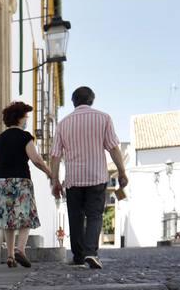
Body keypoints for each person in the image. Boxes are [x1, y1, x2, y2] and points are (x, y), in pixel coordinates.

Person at [49, 86, 129, 269]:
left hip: (73, 179)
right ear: (92, 100)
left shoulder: (63, 123)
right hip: (96, 176)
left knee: (75, 217)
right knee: (94, 216)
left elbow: (55, 155)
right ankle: (91, 253)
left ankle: (78, 256)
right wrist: (122, 172)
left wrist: (54, 181)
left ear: (73, 102)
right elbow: (113, 147)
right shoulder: (103, 118)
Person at [0, 102, 54, 267]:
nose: (26, 120)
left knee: (7, 220)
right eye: (26, 117)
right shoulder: (25, 137)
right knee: (27, 216)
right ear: (19, 118)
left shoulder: (0, 138)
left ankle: (10, 256)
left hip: (1, 181)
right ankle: (20, 249)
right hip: (21, 180)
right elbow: (36, 160)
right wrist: (50, 173)